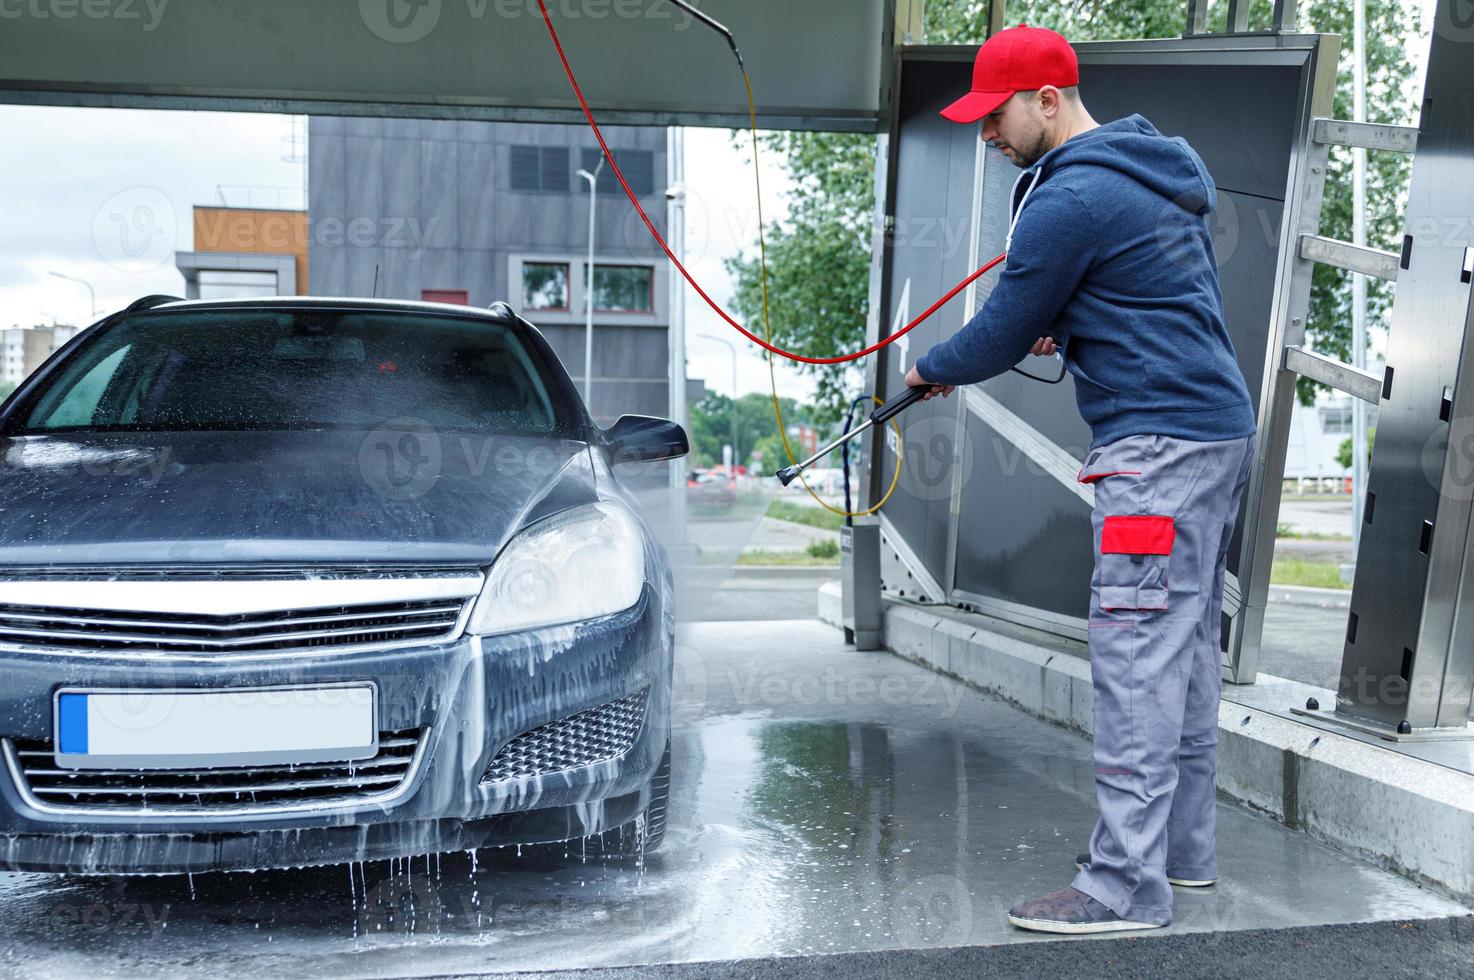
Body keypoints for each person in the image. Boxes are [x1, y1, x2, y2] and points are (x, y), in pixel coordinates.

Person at [906, 24, 1257, 935]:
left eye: (996, 117)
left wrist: (928, 364)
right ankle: (1181, 856)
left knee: (1135, 657)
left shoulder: (1073, 198)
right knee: (1178, 654)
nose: (987, 137)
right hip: (1213, 434)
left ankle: (1122, 887)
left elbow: (999, 329)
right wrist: (1083, 323)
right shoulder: (1147, 174)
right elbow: (1144, 298)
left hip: (1158, 452)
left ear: (1049, 101)